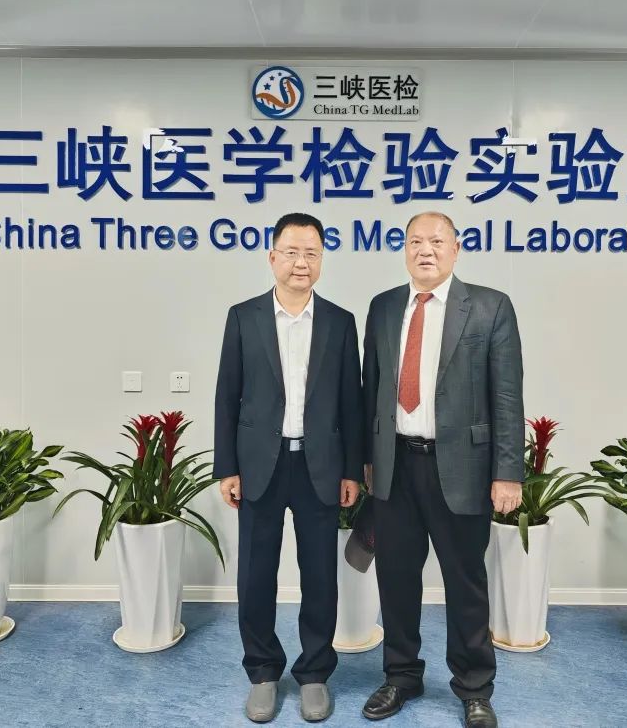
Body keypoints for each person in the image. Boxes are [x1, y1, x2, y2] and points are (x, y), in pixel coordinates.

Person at [360, 212, 524, 728]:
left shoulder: (491, 307)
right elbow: (371, 390)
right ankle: (401, 676)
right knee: (395, 579)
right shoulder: (384, 307)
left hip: (463, 469)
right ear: (405, 250)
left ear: (456, 249)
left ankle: (474, 688)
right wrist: (367, 459)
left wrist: (508, 472)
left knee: (465, 581)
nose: (425, 250)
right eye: (415, 241)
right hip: (395, 467)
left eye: (436, 241)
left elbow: (507, 396)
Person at [214, 212, 364, 723]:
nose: (302, 262)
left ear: (321, 260)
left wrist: (351, 471)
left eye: (312, 253)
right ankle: (262, 671)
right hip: (260, 465)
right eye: (293, 252)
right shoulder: (244, 317)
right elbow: (227, 396)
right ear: (272, 256)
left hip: (320, 467)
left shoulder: (340, 322)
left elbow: (352, 403)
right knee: (256, 574)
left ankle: (315, 672)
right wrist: (227, 467)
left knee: (320, 576)